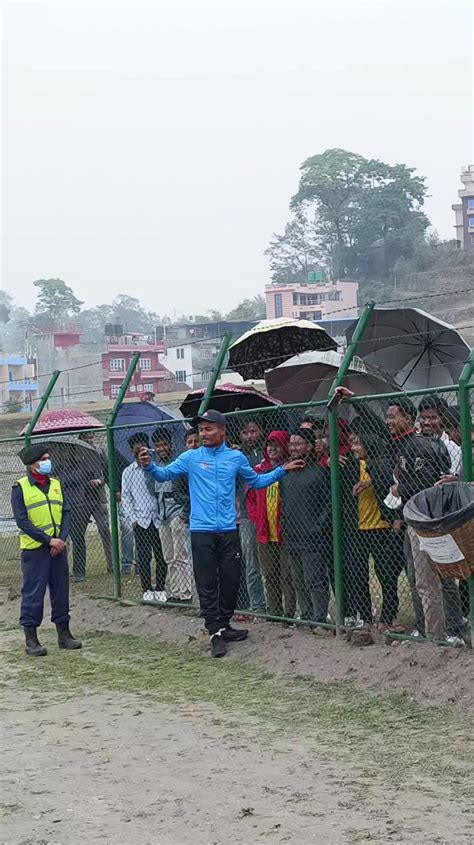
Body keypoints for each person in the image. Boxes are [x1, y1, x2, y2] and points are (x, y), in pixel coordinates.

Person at [137, 409, 305, 657]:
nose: (204, 433)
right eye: (201, 429)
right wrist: (149, 466)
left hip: (228, 529)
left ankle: (225, 624)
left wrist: (282, 470)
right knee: (206, 583)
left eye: (208, 428)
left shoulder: (236, 457)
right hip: (201, 532)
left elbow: (255, 482)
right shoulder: (191, 457)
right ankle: (214, 631)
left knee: (230, 580)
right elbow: (165, 474)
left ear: (222, 430)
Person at [385, 396, 464, 641]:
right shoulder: (406, 444)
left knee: (438, 578)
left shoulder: (419, 445)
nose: (389, 421)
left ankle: (447, 631)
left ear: (407, 419)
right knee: (419, 579)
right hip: (414, 518)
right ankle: (428, 628)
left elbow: (428, 483)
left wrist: (400, 489)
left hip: (429, 520)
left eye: (393, 416)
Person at [12, 443, 81, 656]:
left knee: (61, 591)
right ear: (33, 464)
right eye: (43, 459)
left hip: (57, 548)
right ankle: (31, 639)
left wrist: (60, 540)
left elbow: (66, 512)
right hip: (35, 550)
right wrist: (48, 541)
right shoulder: (20, 488)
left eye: (47, 458)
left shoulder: (56, 484)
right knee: (33, 593)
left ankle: (64, 634)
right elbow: (23, 521)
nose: (47, 462)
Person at [348, 427, 405, 631]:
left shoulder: (382, 464)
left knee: (386, 574)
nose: (354, 447)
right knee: (358, 574)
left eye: (357, 443)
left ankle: (388, 617)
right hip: (358, 529)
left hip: (381, 527)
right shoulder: (349, 466)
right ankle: (365, 617)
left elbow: (392, 489)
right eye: (352, 443)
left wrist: (370, 480)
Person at [279, 430, 332, 632]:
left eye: (298, 444)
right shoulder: (285, 474)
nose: (293, 448)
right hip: (291, 534)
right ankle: (307, 615)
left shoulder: (318, 472)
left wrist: (318, 525)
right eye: (291, 444)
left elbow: (328, 503)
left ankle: (319, 617)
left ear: (309, 446)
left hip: (312, 536)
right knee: (298, 579)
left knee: (314, 578)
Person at [250, 431, 296, 619]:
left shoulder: (290, 468)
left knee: (288, 576)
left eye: (276, 444)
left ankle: (289, 614)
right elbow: (250, 498)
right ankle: (274, 612)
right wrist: (256, 518)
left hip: (285, 531)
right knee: (269, 574)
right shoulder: (259, 470)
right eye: (269, 445)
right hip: (264, 531)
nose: (272, 448)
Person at [147, 428, 193, 602]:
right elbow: (151, 489)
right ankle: (174, 590)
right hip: (162, 512)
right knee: (168, 556)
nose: (161, 448)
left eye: (164, 444)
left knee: (181, 554)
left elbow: (182, 489)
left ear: (170, 445)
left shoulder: (178, 463)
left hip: (176, 511)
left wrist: (183, 511)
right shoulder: (155, 465)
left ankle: (185, 592)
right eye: (158, 446)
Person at [121, 433, 167, 603]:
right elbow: (126, 497)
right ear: (132, 451)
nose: (140, 451)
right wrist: (132, 518)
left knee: (161, 555)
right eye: (136, 448)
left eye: (143, 448)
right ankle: (147, 588)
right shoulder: (129, 472)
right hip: (141, 520)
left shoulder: (156, 468)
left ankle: (161, 587)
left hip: (158, 518)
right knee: (144, 556)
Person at [61, 438, 113, 582]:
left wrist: (99, 482)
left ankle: (83, 571)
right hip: (66, 505)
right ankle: (69, 571)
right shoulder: (57, 469)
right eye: (64, 452)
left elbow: (98, 476)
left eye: (69, 451)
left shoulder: (82, 465)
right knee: (69, 538)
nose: (66, 455)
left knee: (94, 533)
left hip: (81, 504)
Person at [237, 419, 266, 616]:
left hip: (270, 514)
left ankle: (281, 607)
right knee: (251, 564)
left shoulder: (268, 452)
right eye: (245, 432)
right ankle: (258, 605)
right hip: (247, 516)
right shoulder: (237, 456)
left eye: (253, 431)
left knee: (275, 565)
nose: (250, 436)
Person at [418, 395, 462, 476]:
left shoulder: (452, 443)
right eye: (423, 418)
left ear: (442, 418)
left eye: (432, 418)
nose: (426, 422)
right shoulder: (417, 441)